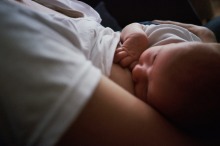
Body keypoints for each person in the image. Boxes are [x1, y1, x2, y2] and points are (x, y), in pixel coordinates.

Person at [0, 0, 220, 146]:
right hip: (117, 35)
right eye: (152, 59)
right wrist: (138, 37)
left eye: (146, 86)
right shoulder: (170, 37)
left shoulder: (179, 106)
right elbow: (136, 27)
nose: (139, 71)